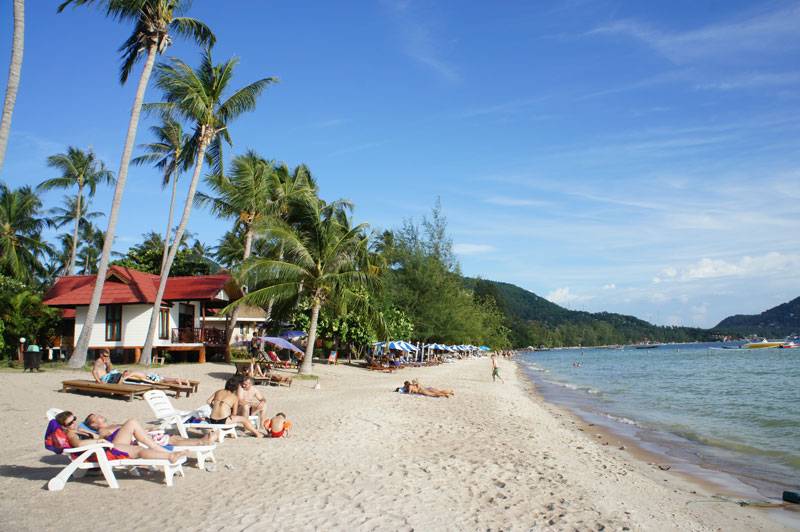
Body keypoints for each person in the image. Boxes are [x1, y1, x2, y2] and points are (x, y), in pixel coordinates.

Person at [54, 410, 187, 463]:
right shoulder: (71, 434)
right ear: (64, 427)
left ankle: (164, 452)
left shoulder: (78, 430)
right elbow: (78, 445)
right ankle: (169, 455)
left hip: (105, 446)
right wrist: (100, 440)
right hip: (102, 450)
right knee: (138, 451)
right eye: (70, 422)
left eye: (74, 419)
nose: (74, 423)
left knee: (132, 422)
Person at [84, 413, 217, 447]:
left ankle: (200, 440)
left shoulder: (112, 425)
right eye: (95, 417)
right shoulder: (101, 431)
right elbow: (101, 440)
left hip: (139, 436)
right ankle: (201, 441)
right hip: (134, 442)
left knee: (172, 437)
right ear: (94, 425)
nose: (99, 416)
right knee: (172, 440)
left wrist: (146, 429)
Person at [91, 349, 190, 386]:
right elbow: (94, 371)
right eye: (104, 355)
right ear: (100, 355)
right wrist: (99, 382)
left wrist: (108, 363)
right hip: (109, 378)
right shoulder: (98, 362)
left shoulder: (105, 360)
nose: (106, 357)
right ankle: (172, 380)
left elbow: (109, 370)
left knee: (142, 377)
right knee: (138, 376)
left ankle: (173, 380)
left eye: (107, 355)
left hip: (113, 375)